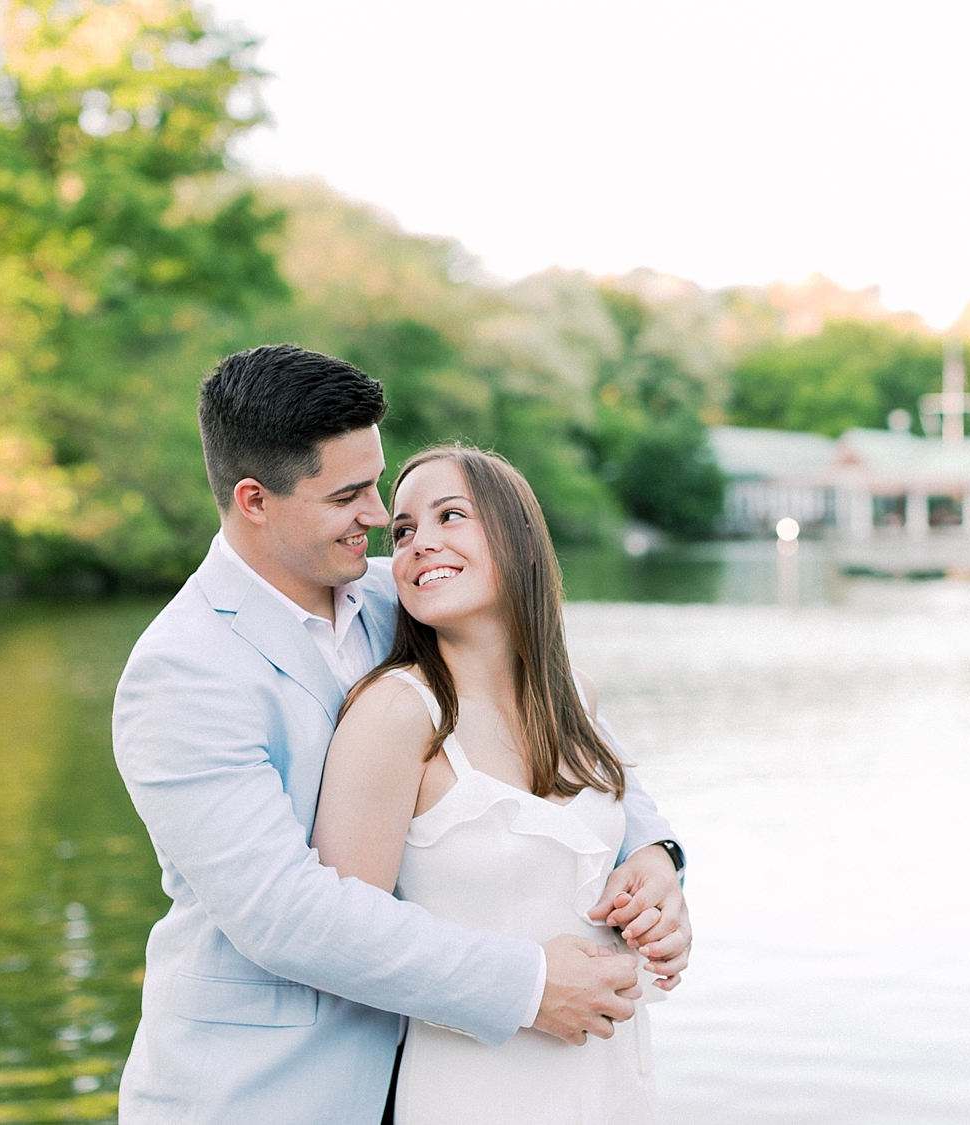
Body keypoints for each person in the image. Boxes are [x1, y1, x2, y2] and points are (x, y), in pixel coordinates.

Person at [112, 345, 690, 1124]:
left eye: (378, 484)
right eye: (350, 494)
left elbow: (568, 721)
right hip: (264, 1092)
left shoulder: (405, 593)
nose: (383, 519)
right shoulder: (182, 672)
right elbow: (284, 912)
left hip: (449, 1074)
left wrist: (652, 851)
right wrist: (525, 983)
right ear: (254, 498)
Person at [312, 444, 677, 1124]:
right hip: (479, 1088)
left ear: (523, 543)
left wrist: (659, 894)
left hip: (609, 1079)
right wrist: (526, 983)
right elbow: (347, 940)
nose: (421, 543)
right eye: (404, 530)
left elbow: (617, 841)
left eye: (451, 515)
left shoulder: (575, 695)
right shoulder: (396, 712)